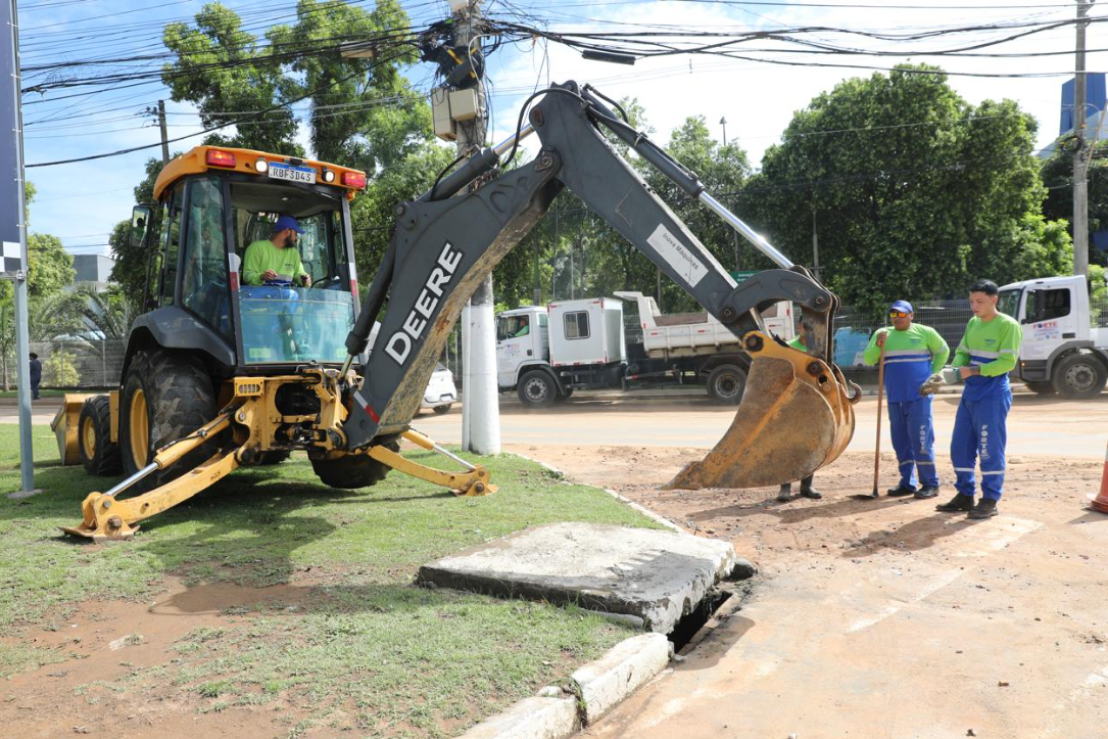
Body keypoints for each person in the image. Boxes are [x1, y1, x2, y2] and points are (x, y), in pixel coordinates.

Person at [936, 280, 1023, 519]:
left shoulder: (1008, 326)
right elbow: (963, 352)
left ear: (994, 300)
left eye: (979, 301)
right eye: (971, 301)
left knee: (989, 448)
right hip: (970, 393)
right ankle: (965, 495)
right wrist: (955, 370)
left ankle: (990, 499)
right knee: (960, 447)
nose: (974, 306)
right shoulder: (973, 323)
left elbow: (1007, 363)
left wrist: (972, 372)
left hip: (992, 394)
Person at [863, 300, 950, 499]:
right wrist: (878, 345)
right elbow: (869, 359)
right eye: (894, 315)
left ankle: (930, 483)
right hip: (895, 397)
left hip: (919, 397)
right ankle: (907, 482)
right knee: (900, 442)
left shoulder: (925, 332)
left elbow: (943, 350)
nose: (897, 319)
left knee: (921, 440)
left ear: (911, 315)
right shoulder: (882, 334)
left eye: (902, 315)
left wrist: (933, 373)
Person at [778, 324, 822, 502]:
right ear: (799, 327)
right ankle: (785, 487)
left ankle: (807, 485)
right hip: (791, 401)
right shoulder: (788, 347)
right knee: (788, 445)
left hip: (813, 401)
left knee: (811, 445)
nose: (808, 330)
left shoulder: (819, 350)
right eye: (806, 327)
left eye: (812, 327)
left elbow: (825, 373)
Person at [242, 215, 311, 287]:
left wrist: (305, 279)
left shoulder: (294, 253)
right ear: (287, 231)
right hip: (260, 296)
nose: (296, 238)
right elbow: (247, 276)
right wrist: (262, 277)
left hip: (286, 296)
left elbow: (299, 274)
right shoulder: (256, 248)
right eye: (295, 234)